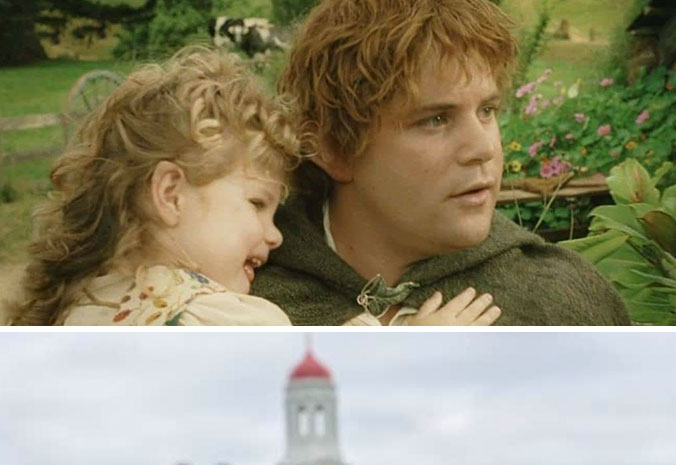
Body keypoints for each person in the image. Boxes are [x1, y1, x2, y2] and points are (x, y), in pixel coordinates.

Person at [7, 47, 499, 329]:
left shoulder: (82, 303)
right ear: (170, 194)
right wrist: (412, 338)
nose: (275, 233)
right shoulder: (233, 318)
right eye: (257, 204)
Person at [252, 0, 631, 326]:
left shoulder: (558, 301)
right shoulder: (241, 303)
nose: (483, 148)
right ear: (333, 148)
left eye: (487, 111)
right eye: (436, 119)